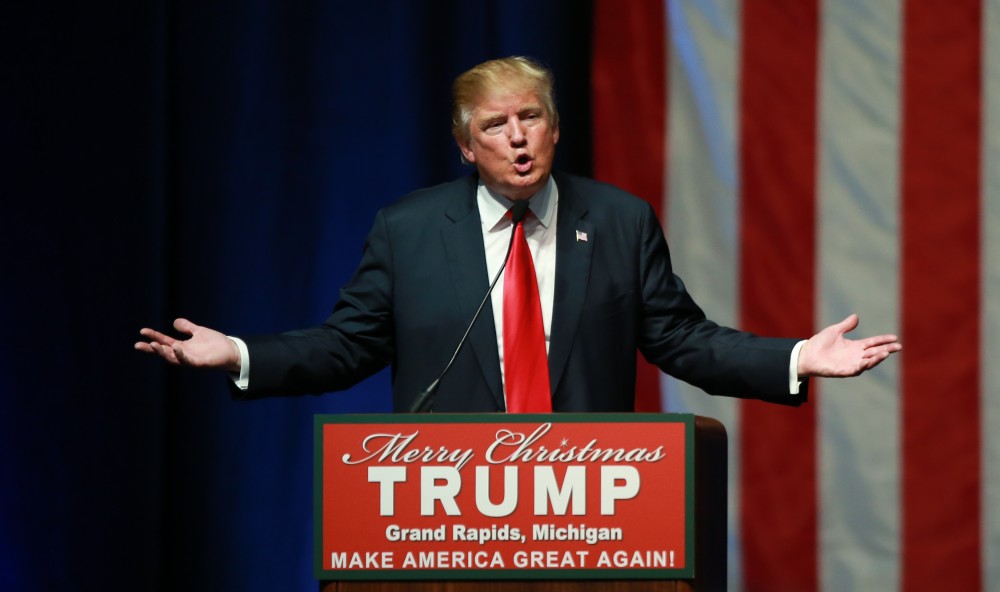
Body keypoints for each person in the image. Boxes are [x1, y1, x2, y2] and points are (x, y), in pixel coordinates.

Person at [135, 56, 901, 413]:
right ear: (467, 148)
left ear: (556, 129)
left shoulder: (620, 221)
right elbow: (346, 348)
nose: (518, 138)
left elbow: (682, 341)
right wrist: (238, 352)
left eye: (530, 117)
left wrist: (799, 356)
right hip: (451, 523)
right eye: (495, 126)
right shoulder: (408, 232)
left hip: (589, 518)